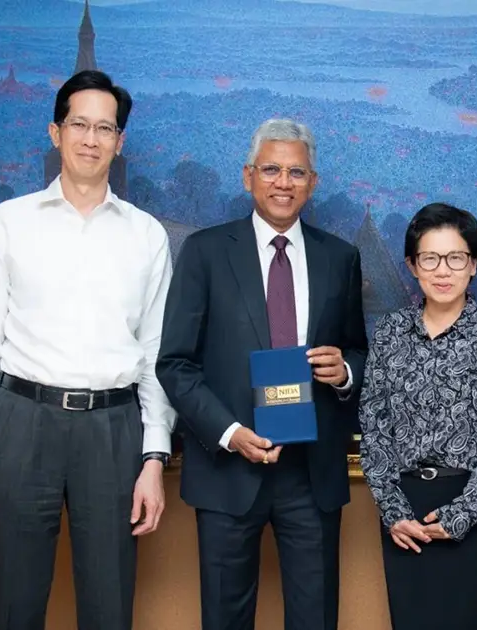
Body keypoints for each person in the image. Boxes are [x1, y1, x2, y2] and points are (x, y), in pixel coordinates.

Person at [0, 69, 175, 630]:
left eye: (105, 128)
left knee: (109, 604)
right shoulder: (7, 224)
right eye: (79, 124)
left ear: (120, 141)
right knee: (15, 602)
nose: (91, 139)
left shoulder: (146, 235)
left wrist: (153, 458)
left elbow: (156, 356)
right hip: (24, 423)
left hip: (113, 429)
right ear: (56, 132)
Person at [156, 118, 367, 630]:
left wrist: (344, 372)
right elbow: (175, 363)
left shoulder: (340, 257)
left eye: (296, 172)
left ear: (313, 182)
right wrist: (229, 432)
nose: (283, 182)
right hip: (229, 468)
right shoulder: (205, 252)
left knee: (315, 618)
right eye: (271, 169)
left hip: (311, 474)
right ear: (248, 175)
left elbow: (358, 350)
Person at [358, 203, 477, 630]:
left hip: (476, 506)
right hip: (405, 512)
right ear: (412, 265)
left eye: (455, 258)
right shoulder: (391, 333)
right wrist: (392, 510)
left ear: (474, 264)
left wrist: (463, 513)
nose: (442, 271)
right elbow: (374, 424)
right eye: (430, 258)